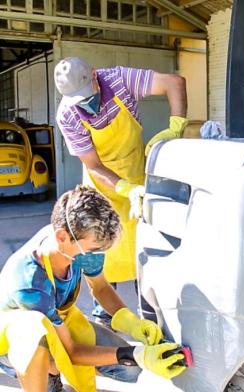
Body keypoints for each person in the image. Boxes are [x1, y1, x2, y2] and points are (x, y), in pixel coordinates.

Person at [0, 185, 186, 392]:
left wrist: (131, 322)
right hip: (17, 339)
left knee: (129, 370)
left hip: (57, 319)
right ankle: (48, 374)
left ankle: (54, 368)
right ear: (62, 237)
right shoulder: (30, 286)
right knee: (36, 336)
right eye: (94, 249)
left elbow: (100, 287)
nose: (97, 255)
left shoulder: (70, 243)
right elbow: (71, 351)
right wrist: (134, 354)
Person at [54, 57, 188, 326]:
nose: (85, 104)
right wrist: (125, 188)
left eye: (86, 96)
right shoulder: (67, 114)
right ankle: (106, 318)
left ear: (94, 75)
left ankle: (151, 315)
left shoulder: (119, 79)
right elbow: (93, 165)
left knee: (144, 250)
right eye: (77, 100)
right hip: (102, 185)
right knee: (102, 251)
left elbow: (174, 83)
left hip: (137, 173)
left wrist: (176, 128)